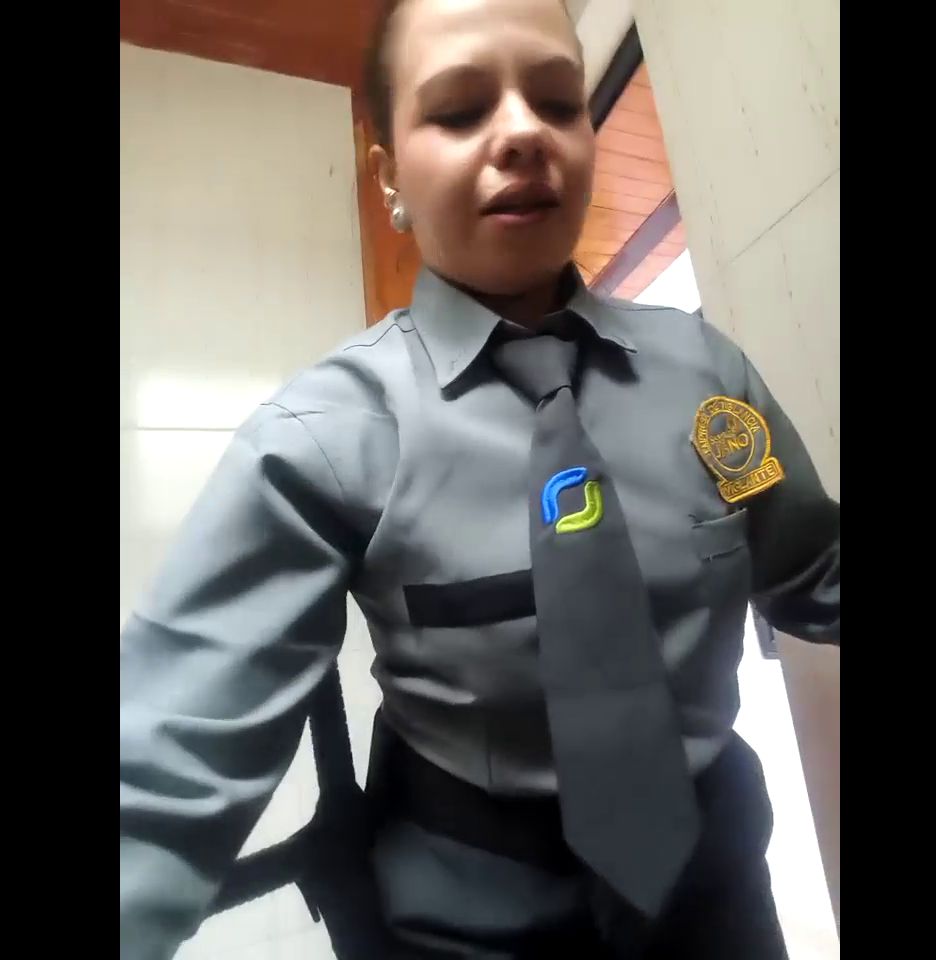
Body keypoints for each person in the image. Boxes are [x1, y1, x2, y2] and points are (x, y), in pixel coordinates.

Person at [119, 0, 840, 957]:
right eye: (460, 110)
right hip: (464, 924)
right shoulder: (323, 436)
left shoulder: (707, 376)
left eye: (558, 102)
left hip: (723, 900)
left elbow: (815, 575)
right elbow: (166, 766)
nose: (523, 134)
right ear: (390, 178)